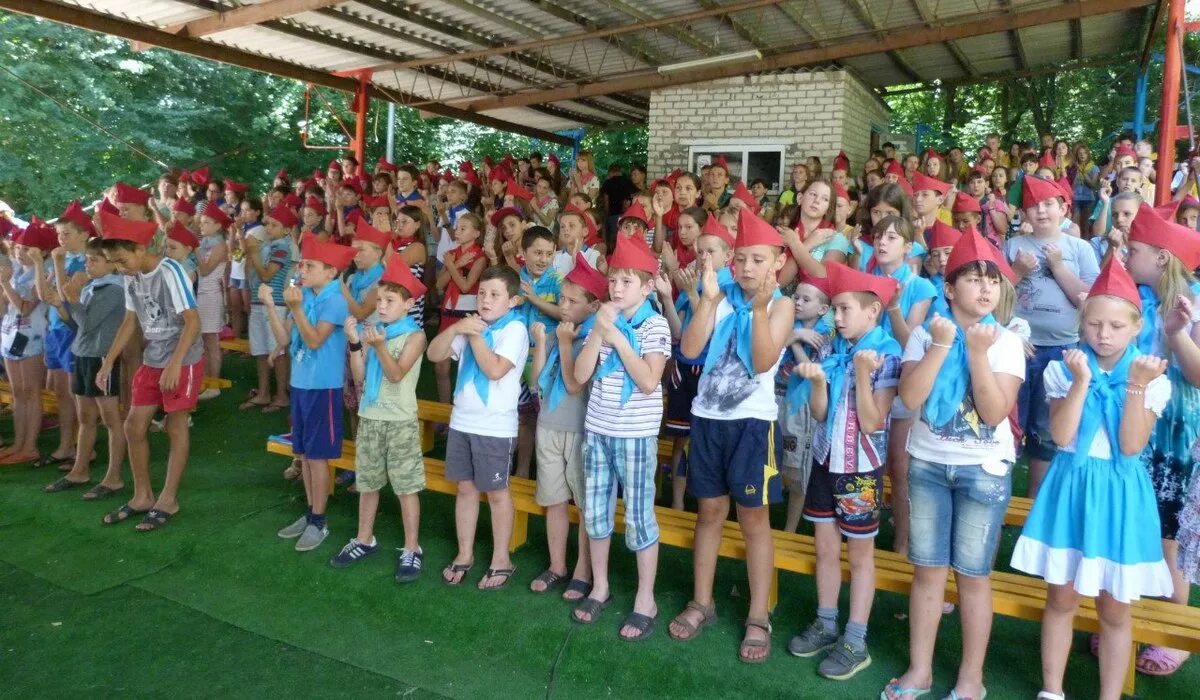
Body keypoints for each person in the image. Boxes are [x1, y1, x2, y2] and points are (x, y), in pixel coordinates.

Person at [1011, 255, 1173, 700]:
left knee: (1116, 610)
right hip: (1072, 487)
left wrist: (1136, 386)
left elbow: (1130, 446)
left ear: (1136, 327)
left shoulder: (1152, 375)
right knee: (1060, 599)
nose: (1104, 335)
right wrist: (1081, 382)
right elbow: (1062, 434)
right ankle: (1051, 689)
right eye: (1095, 324)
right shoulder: (1063, 368)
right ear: (1082, 322)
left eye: (1116, 327)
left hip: (1121, 494)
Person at [883, 227, 1025, 700]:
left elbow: (992, 411)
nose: (987, 287)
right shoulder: (926, 334)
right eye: (974, 278)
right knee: (927, 571)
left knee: (973, 576)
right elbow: (909, 396)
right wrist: (942, 345)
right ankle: (920, 670)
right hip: (927, 463)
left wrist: (978, 353)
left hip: (982, 471)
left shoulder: (1005, 340)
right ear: (949, 288)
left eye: (993, 279)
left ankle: (971, 678)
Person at [668, 208, 793, 661]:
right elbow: (689, 350)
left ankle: (758, 615)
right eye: (739, 259)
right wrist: (705, 299)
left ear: (777, 262)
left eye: (757, 260)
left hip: (753, 426)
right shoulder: (718, 298)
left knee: (754, 519)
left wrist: (757, 310)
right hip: (709, 420)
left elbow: (762, 361)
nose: (746, 268)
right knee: (710, 512)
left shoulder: (781, 304)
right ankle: (703, 600)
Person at [788, 262, 901, 680]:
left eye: (843, 309)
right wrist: (819, 382)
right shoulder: (831, 348)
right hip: (824, 461)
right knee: (823, 548)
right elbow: (820, 413)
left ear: (872, 312)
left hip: (859, 471)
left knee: (860, 555)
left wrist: (861, 372)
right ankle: (826, 621)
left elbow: (872, 422)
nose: (835, 318)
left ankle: (855, 638)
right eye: (833, 309)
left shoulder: (886, 353)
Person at [571, 234, 669, 640]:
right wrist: (598, 333)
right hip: (598, 430)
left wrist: (616, 339)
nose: (616, 288)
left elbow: (649, 381)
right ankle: (600, 586)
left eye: (627, 281)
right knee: (594, 513)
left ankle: (646, 599)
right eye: (613, 280)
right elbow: (578, 377)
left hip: (634, 435)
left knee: (639, 516)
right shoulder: (602, 321)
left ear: (647, 287)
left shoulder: (654, 324)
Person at [1121, 206, 1200, 675]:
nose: (1127, 256)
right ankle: (1128, 618)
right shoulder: (1135, 300)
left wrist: (1177, 337)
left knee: (1167, 538)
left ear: (1164, 259)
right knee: (1135, 529)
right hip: (1136, 434)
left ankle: (1170, 627)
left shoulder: (1194, 302)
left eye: (1135, 250)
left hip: (1176, 442)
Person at [95, 211, 203, 532]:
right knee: (133, 426)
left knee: (175, 425)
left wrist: (174, 363)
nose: (119, 268)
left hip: (182, 358)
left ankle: (168, 499)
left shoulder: (171, 271)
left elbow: (193, 322)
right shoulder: (130, 276)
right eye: (113, 262)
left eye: (121, 260)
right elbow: (130, 321)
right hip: (154, 357)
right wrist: (109, 360)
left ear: (141, 249)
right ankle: (142, 496)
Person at [427, 265, 528, 590]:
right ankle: (465, 553)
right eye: (482, 293)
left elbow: (494, 369)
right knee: (466, 489)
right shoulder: (472, 326)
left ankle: (502, 559)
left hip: (495, 428)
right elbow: (434, 354)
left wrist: (471, 334)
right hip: (462, 421)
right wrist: (455, 330)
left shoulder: (515, 330)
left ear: (512, 301)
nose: (485, 299)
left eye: (495, 294)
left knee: (497, 493)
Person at [329, 256, 429, 580]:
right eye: (380, 300)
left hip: (400, 420)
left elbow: (397, 375)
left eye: (389, 301)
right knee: (368, 482)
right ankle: (363, 538)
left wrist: (379, 346)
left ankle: (412, 548)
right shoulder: (377, 332)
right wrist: (356, 343)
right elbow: (360, 379)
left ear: (408, 304)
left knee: (405, 487)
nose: (381, 306)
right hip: (370, 416)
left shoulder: (415, 336)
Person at [1005, 176, 1100, 499]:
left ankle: (1035, 503)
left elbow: (1087, 301)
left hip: (1062, 349)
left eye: (1048, 204)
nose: (1041, 211)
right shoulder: (1013, 247)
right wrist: (1017, 272)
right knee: (1011, 422)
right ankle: (1001, 497)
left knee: (1047, 432)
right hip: (1018, 349)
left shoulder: (1080, 248)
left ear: (1063, 208)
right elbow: (995, 298)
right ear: (1024, 213)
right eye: (1033, 205)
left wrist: (1058, 266)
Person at [267, 238, 356, 552]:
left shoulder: (335, 301)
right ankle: (310, 514)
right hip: (301, 383)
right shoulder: (303, 295)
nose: (302, 270)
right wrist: (271, 305)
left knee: (317, 458)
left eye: (310, 266)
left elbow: (315, 340)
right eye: (302, 264)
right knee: (304, 455)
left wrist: (295, 309)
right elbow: (283, 339)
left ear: (331, 272)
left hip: (324, 387)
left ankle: (319, 519)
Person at [528, 252, 607, 599]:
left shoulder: (593, 337)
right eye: (562, 298)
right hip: (549, 421)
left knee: (584, 503)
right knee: (554, 499)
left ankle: (582, 569)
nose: (564, 305)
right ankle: (557, 564)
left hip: (579, 430)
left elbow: (576, 382)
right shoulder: (558, 329)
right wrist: (547, 343)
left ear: (593, 306)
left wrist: (563, 342)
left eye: (573, 301)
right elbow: (536, 382)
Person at [41, 238, 127, 499]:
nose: (88, 264)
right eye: (88, 259)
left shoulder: (113, 290)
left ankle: (113, 477)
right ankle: (79, 470)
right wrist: (59, 304)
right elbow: (77, 327)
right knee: (86, 417)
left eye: (95, 260)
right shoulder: (93, 287)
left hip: (102, 358)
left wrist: (73, 298)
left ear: (112, 265)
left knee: (111, 420)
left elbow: (87, 323)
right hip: (83, 354)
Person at [777, 273, 831, 532]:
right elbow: (772, 345)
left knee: (798, 470)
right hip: (777, 397)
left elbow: (810, 368)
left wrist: (795, 339)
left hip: (803, 406)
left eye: (805, 299)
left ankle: (790, 528)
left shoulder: (824, 333)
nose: (797, 302)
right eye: (796, 297)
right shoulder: (787, 321)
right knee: (775, 461)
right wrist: (795, 333)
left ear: (822, 309)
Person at [0, 220, 53, 465]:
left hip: (33, 338)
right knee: (18, 393)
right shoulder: (16, 271)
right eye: (19, 248)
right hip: (10, 336)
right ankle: (18, 443)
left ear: (41, 252)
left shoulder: (42, 274)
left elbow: (23, 308)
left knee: (32, 393)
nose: (20, 253)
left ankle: (30, 446)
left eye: (27, 249)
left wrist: (4, 283)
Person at [514, 226, 562, 479]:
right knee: (523, 417)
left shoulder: (557, 280)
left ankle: (548, 475)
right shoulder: (515, 280)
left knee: (546, 420)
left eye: (549, 253)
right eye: (537, 253)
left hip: (546, 362)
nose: (543, 259)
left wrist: (534, 300)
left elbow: (565, 314)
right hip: (518, 361)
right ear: (523, 252)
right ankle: (522, 470)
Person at [241, 205, 296, 413]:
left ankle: (281, 395)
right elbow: (252, 276)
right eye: (267, 224)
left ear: (286, 230)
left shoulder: (281, 247)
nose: (269, 228)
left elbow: (266, 276)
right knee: (260, 351)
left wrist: (253, 253)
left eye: (274, 225)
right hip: (259, 302)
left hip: (275, 305)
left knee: (278, 352)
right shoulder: (269, 246)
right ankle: (264, 393)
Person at [434, 212, 486, 405]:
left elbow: (465, 286)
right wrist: (454, 264)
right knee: (441, 365)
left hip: (468, 313)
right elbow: (439, 284)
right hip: (448, 311)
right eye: (457, 228)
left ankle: (462, 406)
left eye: (463, 228)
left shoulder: (480, 257)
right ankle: (443, 408)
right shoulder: (451, 255)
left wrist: (451, 266)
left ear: (476, 233)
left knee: (466, 364)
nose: (458, 231)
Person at [194, 203, 229, 400]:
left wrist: (196, 251)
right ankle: (205, 379)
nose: (202, 226)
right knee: (202, 340)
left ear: (217, 226)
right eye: (202, 222)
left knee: (211, 340)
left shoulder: (219, 245)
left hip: (210, 295)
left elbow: (206, 270)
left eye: (207, 223)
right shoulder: (206, 243)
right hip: (200, 293)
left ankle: (214, 383)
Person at [599, 163, 637, 237]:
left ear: (610, 172)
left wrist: (606, 214)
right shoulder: (628, 182)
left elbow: (606, 200)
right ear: (620, 171)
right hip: (627, 214)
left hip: (613, 214)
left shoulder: (608, 183)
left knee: (613, 237)